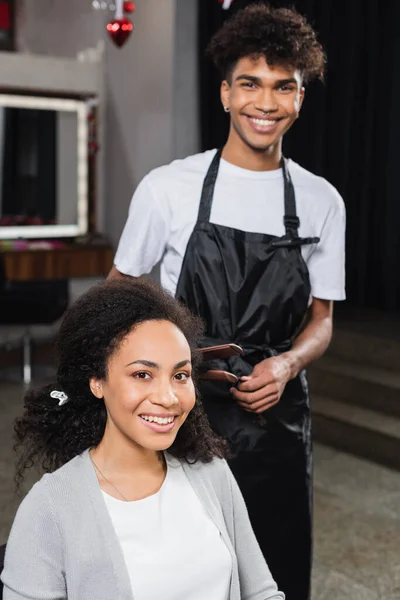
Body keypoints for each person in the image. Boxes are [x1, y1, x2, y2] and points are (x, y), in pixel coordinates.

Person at [109, 4, 346, 600]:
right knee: (181, 563)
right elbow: (115, 297)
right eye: (250, 84)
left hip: (277, 419)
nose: (264, 102)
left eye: (282, 87)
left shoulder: (322, 202)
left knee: (275, 560)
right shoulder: (168, 188)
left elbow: (321, 321)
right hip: (180, 406)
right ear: (225, 92)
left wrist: (286, 364)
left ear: (299, 97)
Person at [1, 278, 284, 600]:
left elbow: (261, 593)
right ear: (97, 381)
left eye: (180, 376)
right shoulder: (51, 507)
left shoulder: (210, 472)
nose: (168, 398)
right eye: (142, 374)